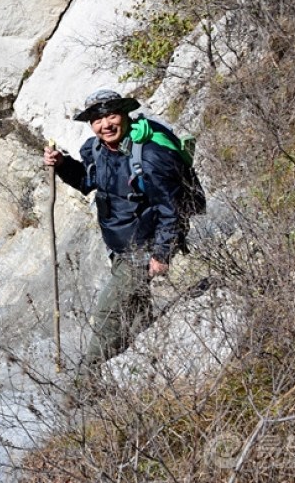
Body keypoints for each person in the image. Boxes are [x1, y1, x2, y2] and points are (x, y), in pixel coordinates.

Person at [43, 89, 187, 376]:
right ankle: (140, 372)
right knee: (135, 314)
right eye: (97, 120)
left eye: (111, 116)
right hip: (119, 246)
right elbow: (86, 181)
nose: (105, 125)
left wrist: (162, 253)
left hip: (142, 247)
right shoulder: (97, 149)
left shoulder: (149, 155)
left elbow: (171, 208)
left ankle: (87, 383)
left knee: (109, 313)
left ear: (124, 115)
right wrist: (62, 165)